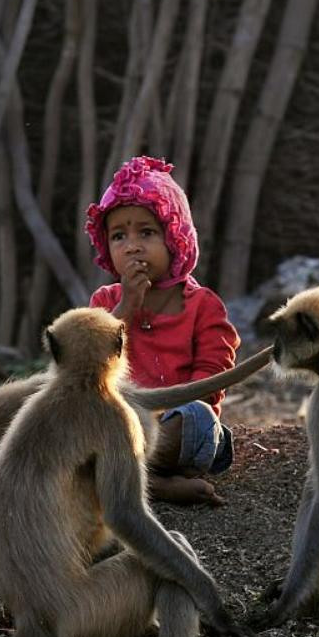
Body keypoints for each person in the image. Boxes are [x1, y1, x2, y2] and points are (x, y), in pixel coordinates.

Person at [86, 155, 240, 506]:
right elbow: (89, 365)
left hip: (177, 426)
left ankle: (125, 478)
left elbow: (212, 381)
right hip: (118, 427)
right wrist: (125, 309)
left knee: (198, 418)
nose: (133, 246)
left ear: (175, 237)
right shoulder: (106, 301)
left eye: (147, 232)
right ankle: (151, 484)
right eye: (119, 236)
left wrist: (162, 420)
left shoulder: (204, 306)